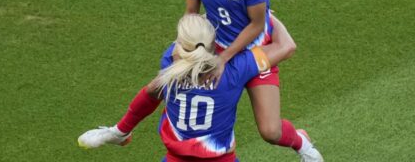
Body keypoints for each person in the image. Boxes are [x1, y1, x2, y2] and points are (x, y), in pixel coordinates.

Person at [78, 14, 320, 161]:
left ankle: (119, 132)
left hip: (177, 158)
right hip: (218, 159)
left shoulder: (170, 64)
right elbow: (287, 45)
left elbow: (151, 92)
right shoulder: (236, 68)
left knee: (154, 89)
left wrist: (123, 128)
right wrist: (265, 16)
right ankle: (119, 133)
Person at [182, 0, 323, 161]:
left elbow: (257, 25)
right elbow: (191, 16)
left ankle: (300, 140)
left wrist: (224, 58)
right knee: (205, 122)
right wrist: (185, 50)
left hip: (256, 52)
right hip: (218, 52)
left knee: (270, 131)